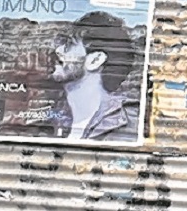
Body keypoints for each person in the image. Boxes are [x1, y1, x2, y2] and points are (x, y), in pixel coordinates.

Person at [46, 10, 140, 142]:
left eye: (69, 45)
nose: (58, 50)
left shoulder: (129, 127)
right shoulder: (47, 121)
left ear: (95, 60)